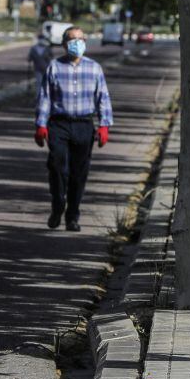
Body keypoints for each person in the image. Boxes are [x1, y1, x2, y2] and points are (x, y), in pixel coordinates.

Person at [34, 27, 112, 232]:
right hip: (59, 124)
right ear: (64, 44)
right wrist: (40, 124)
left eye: (80, 39)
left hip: (84, 125)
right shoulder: (54, 67)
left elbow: (103, 98)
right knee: (57, 166)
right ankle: (58, 203)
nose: (76, 43)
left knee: (79, 173)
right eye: (71, 39)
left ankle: (72, 216)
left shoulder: (94, 68)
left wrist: (104, 125)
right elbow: (45, 97)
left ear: (85, 42)